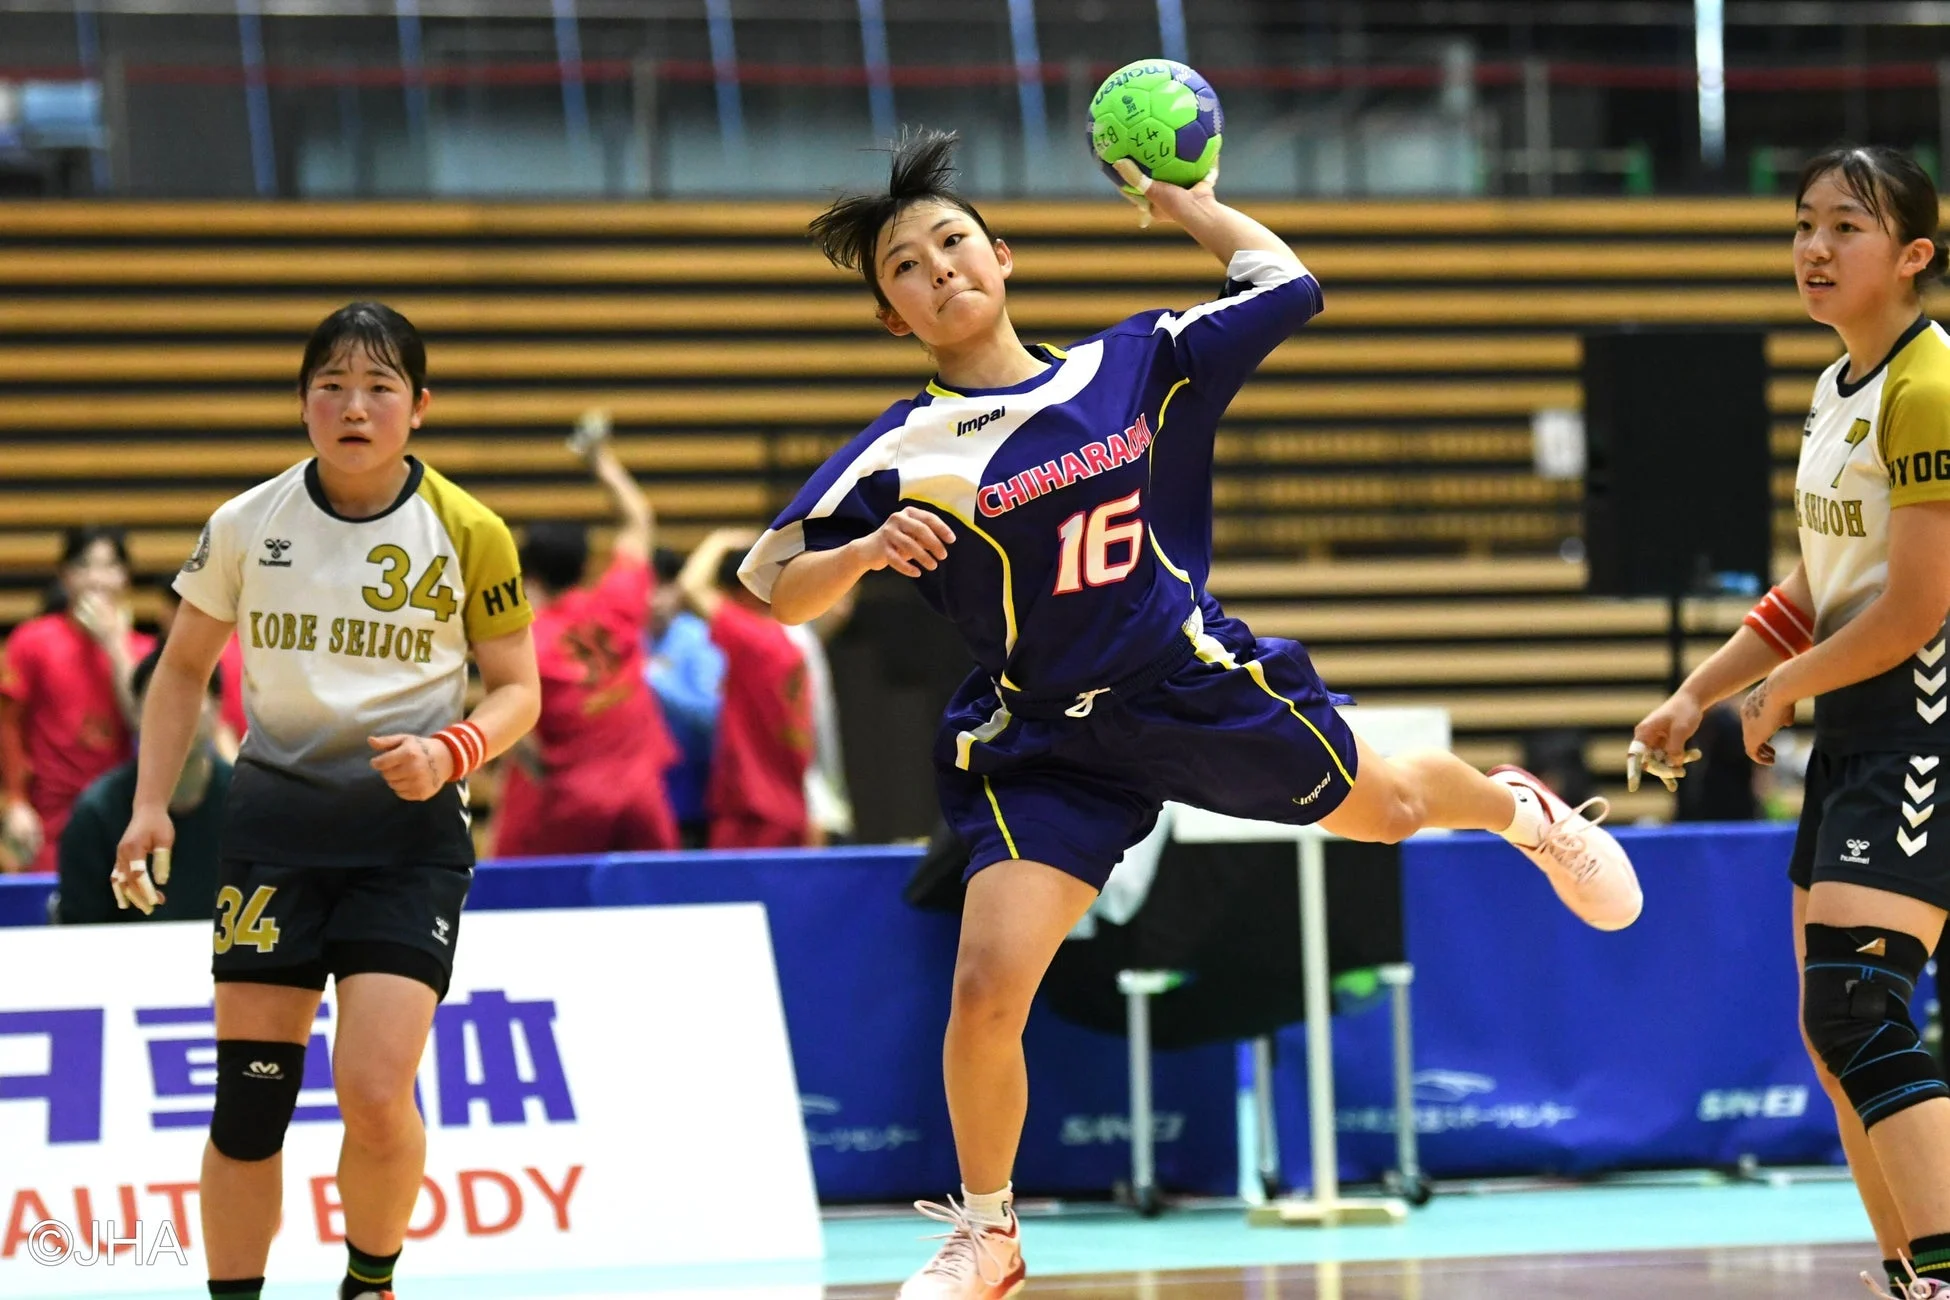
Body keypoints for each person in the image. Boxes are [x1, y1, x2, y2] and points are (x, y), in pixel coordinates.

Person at [740, 129, 1642, 1300]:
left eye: (953, 242)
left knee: (1400, 809)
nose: (938, 270)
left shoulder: (1133, 362)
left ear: (1002, 257)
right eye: (904, 269)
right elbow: (771, 587)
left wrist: (1192, 209)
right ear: (890, 319)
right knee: (985, 984)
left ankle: (1526, 811)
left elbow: (1287, 284)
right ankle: (989, 1233)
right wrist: (859, 552)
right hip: (1049, 739)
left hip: (1193, 684)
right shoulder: (896, 450)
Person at [111, 301, 540, 1300]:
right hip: (275, 838)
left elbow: (520, 688)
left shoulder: (471, 530)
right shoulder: (246, 524)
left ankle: (370, 1283)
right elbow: (178, 672)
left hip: (409, 841)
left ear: (419, 407)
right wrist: (151, 804)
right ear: (303, 404)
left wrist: (453, 748)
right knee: (249, 1108)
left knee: (376, 1091)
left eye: (380, 387)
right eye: (332, 387)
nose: (355, 406)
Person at [1632, 146, 1950, 1300]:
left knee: (1863, 1009)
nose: (1815, 248)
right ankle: (1912, 1273)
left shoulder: (1929, 385)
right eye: (1804, 225)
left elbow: (1917, 605)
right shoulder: (1837, 389)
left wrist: (1786, 689)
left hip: (1923, 727)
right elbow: (1816, 589)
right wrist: (1701, 693)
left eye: (1847, 229)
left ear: (1913, 256)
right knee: (1834, 1033)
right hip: (1861, 726)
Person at [491, 410, 678, 857]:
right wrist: (601, 462)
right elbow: (639, 519)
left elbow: (523, 746)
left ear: (529, 576)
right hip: (642, 793)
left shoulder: (527, 645)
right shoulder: (615, 600)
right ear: (583, 566)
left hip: (575, 805)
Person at [1, 526, 154, 872]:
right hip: (49, 819)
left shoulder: (143, 652)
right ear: (66, 576)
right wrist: (14, 801)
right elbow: (7, 726)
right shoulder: (33, 641)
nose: (97, 579)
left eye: (109, 567)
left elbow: (144, 723)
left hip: (121, 816)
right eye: (85, 566)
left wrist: (115, 647)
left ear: (125, 577)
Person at [58, 646, 232, 923]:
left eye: (190, 698)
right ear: (138, 716)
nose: (175, 714)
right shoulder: (96, 814)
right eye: (159, 701)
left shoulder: (251, 804)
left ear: (218, 708)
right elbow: (79, 933)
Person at [682, 527, 813, 850]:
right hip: (790, 809)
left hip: (753, 812)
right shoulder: (790, 643)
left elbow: (690, 587)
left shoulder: (752, 639)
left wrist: (720, 539)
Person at [646, 546, 725, 847]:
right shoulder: (630, 640)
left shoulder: (698, 638)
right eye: (647, 588)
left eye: (662, 587)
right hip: (644, 796)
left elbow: (713, 714)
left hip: (692, 798)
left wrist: (656, 681)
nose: (652, 599)